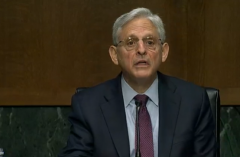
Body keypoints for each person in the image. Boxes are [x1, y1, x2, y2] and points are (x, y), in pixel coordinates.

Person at [58, 7, 216, 157]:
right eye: (130, 43)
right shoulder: (88, 106)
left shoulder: (193, 102)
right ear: (114, 55)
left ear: (164, 52)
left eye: (150, 42)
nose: (141, 50)